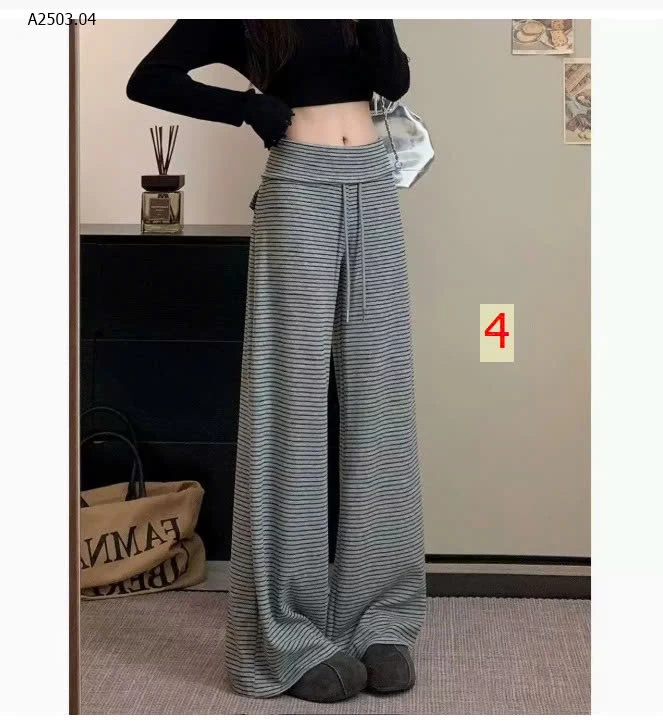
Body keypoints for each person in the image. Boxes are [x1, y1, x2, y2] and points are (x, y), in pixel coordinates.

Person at [126, 19, 426, 704]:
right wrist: (246, 107)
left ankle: (380, 617)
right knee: (288, 408)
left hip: (374, 183)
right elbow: (148, 79)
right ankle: (282, 632)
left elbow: (394, 81)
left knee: (383, 400)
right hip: (299, 189)